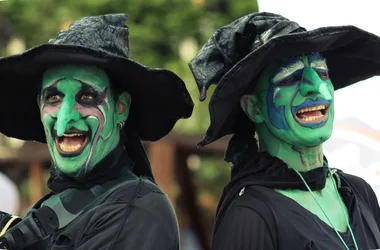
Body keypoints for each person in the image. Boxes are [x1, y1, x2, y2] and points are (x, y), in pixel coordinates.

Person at [0, 13, 193, 250]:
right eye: (53, 97)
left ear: (120, 109)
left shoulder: (140, 213)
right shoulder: (48, 209)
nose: (65, 119)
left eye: (87, 96)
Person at [189, 12, 380, 249]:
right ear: (254, 108)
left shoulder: (359, 193)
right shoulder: (251, 215)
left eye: (322, 73)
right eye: (291, 78)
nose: (316, 87)